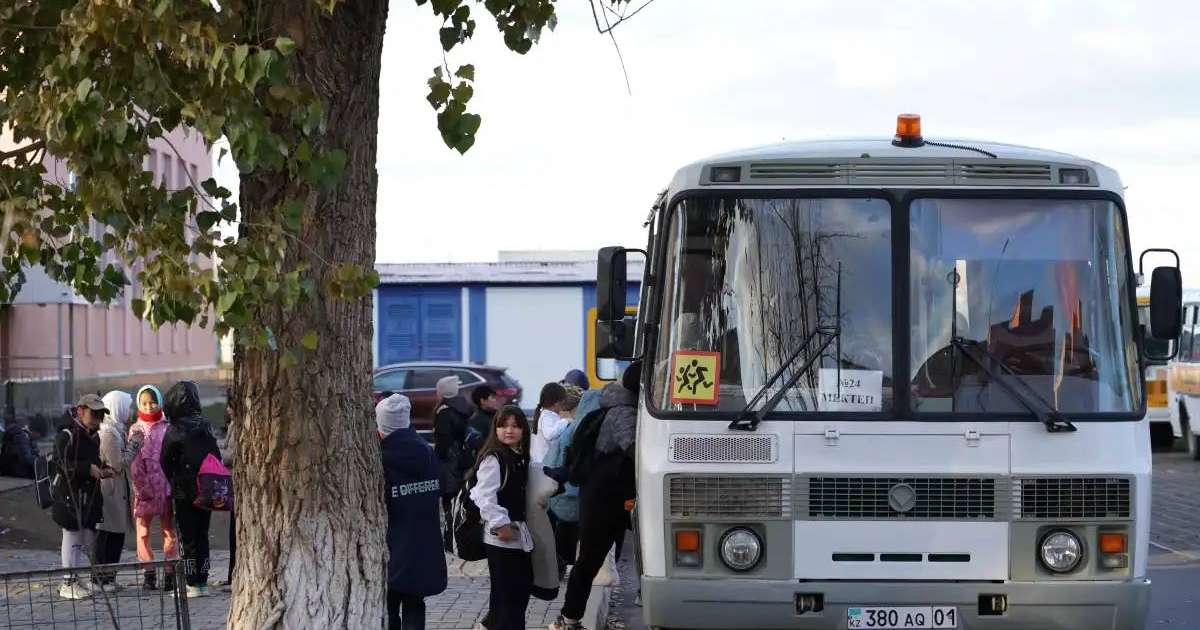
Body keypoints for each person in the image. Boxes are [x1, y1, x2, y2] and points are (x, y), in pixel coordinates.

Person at [551, 364, 640, 630]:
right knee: (589, 560)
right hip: (604, 500)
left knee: (592, 559)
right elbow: (636, 451)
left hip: (609, 497)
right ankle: (568, 618)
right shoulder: (623, 413)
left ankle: (570, 617)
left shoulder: (620, 407)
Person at [379, 393, 447, 630]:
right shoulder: (427, 452)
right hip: (422, 544)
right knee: (415, 602)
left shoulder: (381, 458)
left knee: (388, 606)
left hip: (391, 544)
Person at [469, 406, 533, 630]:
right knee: (508, 598)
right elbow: (482, 495)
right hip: (501, 538)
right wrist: (500, 524)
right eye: (503, 425)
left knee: (516, 595)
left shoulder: (520, 457)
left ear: (524, 429)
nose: (509, 430)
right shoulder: (494, 459)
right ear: (495, 429)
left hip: (519, 535)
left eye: (515, 426)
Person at [160, 381, 221, 599]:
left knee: (187, 539)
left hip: (183, 491)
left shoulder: (174, 429)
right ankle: (202, 580)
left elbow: (164, 460)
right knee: (202, 535)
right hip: (206, 488)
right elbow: (216, 455)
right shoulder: (205, 425)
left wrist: (176, 480)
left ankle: (190, 582)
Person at [53, 394, 112, 600]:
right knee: (71, 535)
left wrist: (103, 469)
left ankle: (75, 579)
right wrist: (88, 468)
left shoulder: (92, 435)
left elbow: (91, 461)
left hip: (87, 495)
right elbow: (61, 464)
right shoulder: (67, 434)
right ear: (80, 410)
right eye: (93, 413)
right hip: (69, 495)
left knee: (83, 537)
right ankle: (68, 581)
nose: (97, 418)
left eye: (100, 414)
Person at [128, 384, 177, 591]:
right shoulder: (135, 429)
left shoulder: (168, 426)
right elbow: (135, 462)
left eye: (153, 402)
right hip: (144, 490)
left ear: (160, 402)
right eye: (145, 403)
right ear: (139, 403)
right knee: (143, 532)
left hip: (166, 489)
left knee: (169, 532)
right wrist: (141, 488)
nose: (149, 407)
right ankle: (149, 572)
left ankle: (169, 573)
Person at [94, 390, 142, 588]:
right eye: (127, 406)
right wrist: (134, 445)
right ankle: (101, 580)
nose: (130, 411)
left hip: (117, 491)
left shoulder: (116, 429)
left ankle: (109, 578)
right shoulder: (108, 434)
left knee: (116, 535)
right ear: (117, 407)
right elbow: (118, 464)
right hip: (110, 491)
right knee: (108, 536)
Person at [543, 383, 584, 577]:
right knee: (563, 525)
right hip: (561, 481)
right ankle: (557, 564)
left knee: (555, 524)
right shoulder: (564, 424)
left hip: (555, 478)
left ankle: (555, 565)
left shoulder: (554, 420)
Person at [433, 375, 471, 550]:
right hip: (463, 461)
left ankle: (449, 541)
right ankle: (459, 539)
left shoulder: (444, 412)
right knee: (459, 502)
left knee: (448, 503)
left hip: (449, 465)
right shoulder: (464, 407)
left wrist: (436, 460)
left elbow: (443, 443)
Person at [528, 383, 568, 463]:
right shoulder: (547, 417)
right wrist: (566, 420)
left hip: (541, 463)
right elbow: (550, 434)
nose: (564, 407)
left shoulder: (544, 415)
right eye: (563, 403)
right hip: (543, 465)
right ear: (556, 403)